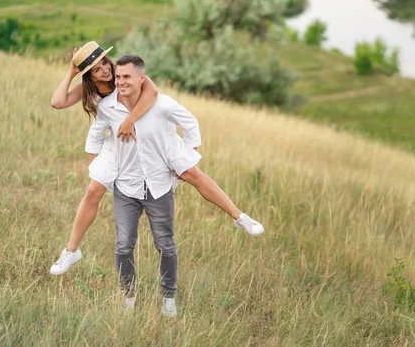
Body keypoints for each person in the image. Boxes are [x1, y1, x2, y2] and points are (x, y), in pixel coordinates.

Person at [49, 42, 264, 276]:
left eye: (104, 62)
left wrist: (130, 120)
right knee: (92, 190)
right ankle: (71, 250)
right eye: (96, 68)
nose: (104, 70)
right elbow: (58, 103)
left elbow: (152, 93)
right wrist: (72, 72)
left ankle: (238, 216)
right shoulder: (88, 88)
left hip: (152, 134)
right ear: (89, 75)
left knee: (192, 173)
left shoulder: (126, 75)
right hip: (120, 144)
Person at [85, 55, 205, 316]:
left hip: (158, 186)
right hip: (125, 188)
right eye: (117, 77)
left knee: (165, 244)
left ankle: (168, 298)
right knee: (123, 244)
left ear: (142, 78)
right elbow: (94, 137)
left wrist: (187, 157)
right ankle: (128, 297)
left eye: (126, 76)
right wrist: (97, 170)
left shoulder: (161, 104)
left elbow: (191, 124)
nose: (120, 81)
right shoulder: (108, 108)